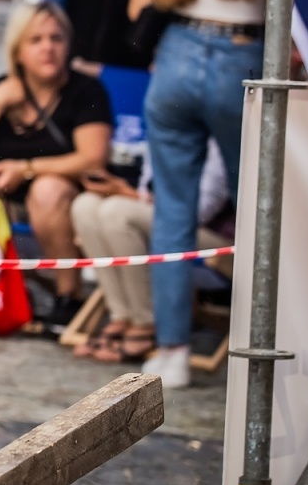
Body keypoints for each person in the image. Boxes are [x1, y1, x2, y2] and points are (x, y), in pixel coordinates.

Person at [129, 0, 263, 388]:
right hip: (244, 58)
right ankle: (259, 342)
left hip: (177, 55)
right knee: (255, 209)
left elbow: (139, 4)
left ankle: (173, 352)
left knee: (172, 212)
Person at [0, 1, 112, 332]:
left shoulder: (85, 90)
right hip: (7, 200)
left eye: (56, 39)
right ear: (18, 51)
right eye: (36, 40)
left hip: (65, 197)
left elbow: (92, 158)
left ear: (68, 45)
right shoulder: (0, 89)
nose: (48, 48)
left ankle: (67, 296)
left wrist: (25, 168)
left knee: (46, 189)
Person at [71, 139, 232, 364]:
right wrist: (128, 193)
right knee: (85, 204)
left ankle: (144, 321)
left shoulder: (216, 141)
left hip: (214, 238)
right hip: (162, 222)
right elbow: (146, 190)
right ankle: (121, 316)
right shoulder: (164, 126)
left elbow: (197, 213)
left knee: (116, 211)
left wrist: (127, 194)